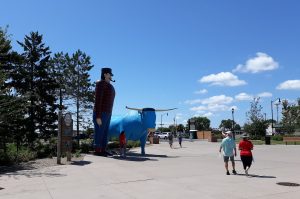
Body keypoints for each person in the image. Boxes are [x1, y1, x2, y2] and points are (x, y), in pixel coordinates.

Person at [93, 67, 115, 156]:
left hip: (108, 112)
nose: (110, 76)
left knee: (105, 132)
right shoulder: (100, 84)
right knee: (100, 131)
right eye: (109, 74)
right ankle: (98, 150)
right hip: (101, 112)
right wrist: (98, 116)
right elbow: (98, 100)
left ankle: (103, 149)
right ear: (105, 74)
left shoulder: (109, 85)